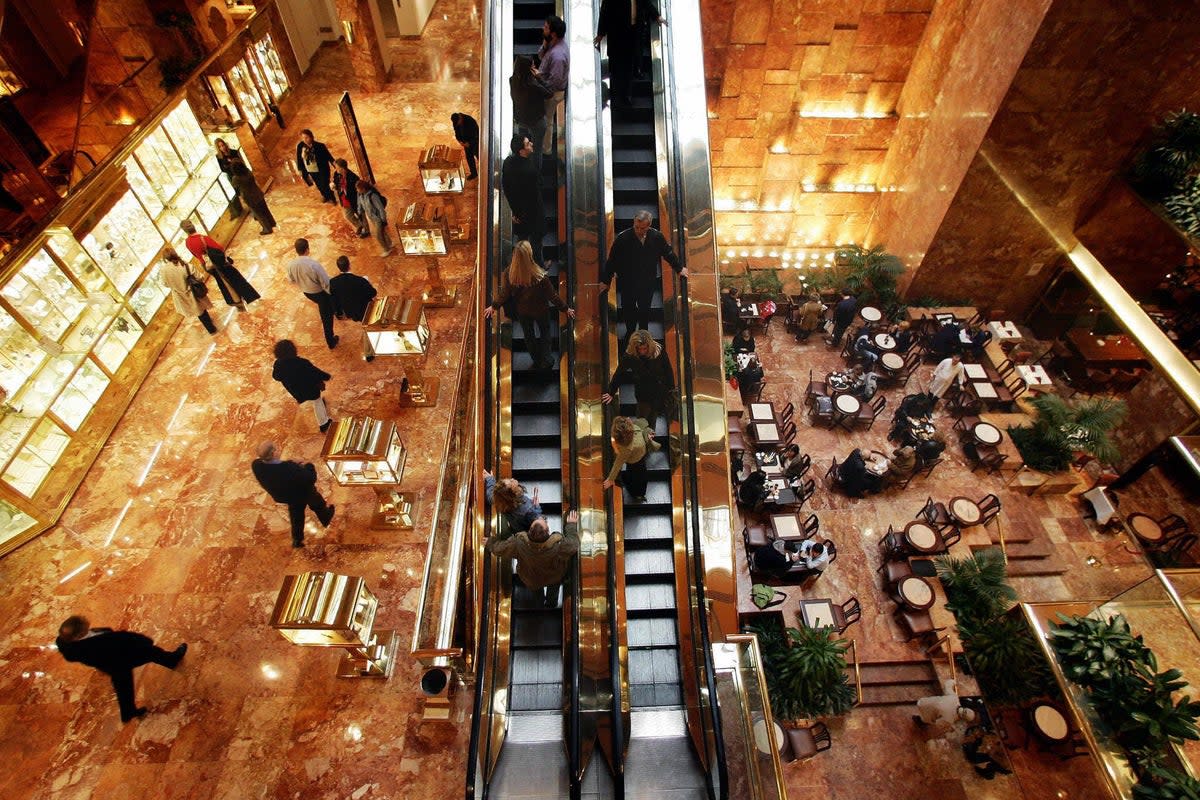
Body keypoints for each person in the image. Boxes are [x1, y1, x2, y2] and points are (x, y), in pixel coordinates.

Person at [56, 615, 188, 723]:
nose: (88, 625)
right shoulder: (96, 645)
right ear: (79, 635)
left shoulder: (70, 645)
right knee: (150, 652)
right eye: (85, 627)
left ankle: (128, 712)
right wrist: (144, 641)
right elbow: (124, 640)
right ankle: (172, 660)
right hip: (120, 659)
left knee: (123, 685)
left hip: (112, 663)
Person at [600, 210, 686, 348]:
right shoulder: (623, 238)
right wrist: (606, 281)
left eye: (642, 228)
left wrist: (679, 268)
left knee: (645, 308)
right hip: (628, 281)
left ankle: (644, 333)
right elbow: (612, 260)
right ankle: (630, 332)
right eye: (636, 227)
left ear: (649, 226)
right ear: (634, 223)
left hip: (647, 281)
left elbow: (668, 253)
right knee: (628, 308)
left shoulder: (656, 237)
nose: (639, 230)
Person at [484, 240, 575, 369]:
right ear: (530, 254)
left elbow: (505, 293)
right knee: (545, 332)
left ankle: (536, 359)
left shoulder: (510, 273)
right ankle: (546, 359)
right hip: (541, 310)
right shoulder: (540, 276)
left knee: (529, 336)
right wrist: (566, 309)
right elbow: (552, 296)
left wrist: (494, 306)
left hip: (523, 311)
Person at [486, 509, 580, 607]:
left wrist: (490, 543)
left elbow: (500, 549)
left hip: (531, 579)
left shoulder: (518, 544)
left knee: (536, 592)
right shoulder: (559, 546)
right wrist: (571, 525)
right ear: (548, 531)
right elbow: (574, 544)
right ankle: (551, 604)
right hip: (554, 576)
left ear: (529, 531)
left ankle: (539, 603)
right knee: (553, 590)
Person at [252, 440, 335, 548]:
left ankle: (297, 539)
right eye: (277, 448)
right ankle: (326, 518)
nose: (279, 449)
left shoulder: (256, 465)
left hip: (285, 496)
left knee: (296, 516)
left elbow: (277, 470)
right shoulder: (289, 468)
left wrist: (290, 463)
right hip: (303, 492)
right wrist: (308, 465)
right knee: (317, 504)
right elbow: (310, 478)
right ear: (273, 453)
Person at [602, 329, 675, 433]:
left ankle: (650, 443)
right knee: (642, 423)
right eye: (639, 349)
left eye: (644, 348)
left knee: (653, 420)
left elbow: (668, 370)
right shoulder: (631, 355)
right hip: (643, 393)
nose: (642, 351)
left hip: (659, 392)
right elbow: (620, 372)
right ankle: (643, 444)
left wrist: (671, 389)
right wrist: (611, 391)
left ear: (649, 346)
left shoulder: (658, 351)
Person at [595, 0, 664, 107]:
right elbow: (605, 11)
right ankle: (618, 92)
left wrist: (657, 16)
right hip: (618, 33)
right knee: (618, 65)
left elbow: (646, 2)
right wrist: (600, 34)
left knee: (629, 64)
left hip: (633, 32)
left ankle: (626, 95)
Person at [181, 220, 260, 311]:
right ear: (193, 225)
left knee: (222, 283)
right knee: (236, 278)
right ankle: (250, 296)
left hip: (207, 266)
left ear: (185, 231)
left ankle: (234, 301)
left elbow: (194, 254)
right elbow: (219, 248)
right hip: (219, 263)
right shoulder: (203, 238)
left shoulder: (187, 242)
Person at [286, 238, 339, 349]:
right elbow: (325, 282)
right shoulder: (313, 265)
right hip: (320, 293)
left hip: (307, 292)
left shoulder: (291, 264)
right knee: (326, 317)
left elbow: (291, 280)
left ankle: (334, 310)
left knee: (326, 306)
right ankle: (330, 341)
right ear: (307, 249)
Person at [502, 133, 546, 266]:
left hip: (519, 213)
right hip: (532, 213)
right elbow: (538, 188)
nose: (531, 144)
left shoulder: (508, 162)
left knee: (522, 241)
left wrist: (516, 212)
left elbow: (507, 188)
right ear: (522, 150)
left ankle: (522, 265)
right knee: (536, 243)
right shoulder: (529, 171)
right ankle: (540, 269)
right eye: (528, 144)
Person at [215, 137, 275, 234]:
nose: (222, 147)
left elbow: (235, 185)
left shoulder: (236, 179)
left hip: (250, 197)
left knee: (258, 213)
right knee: (264, 209)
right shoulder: (248, 172)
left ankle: (267, 228)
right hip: (257, 193)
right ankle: (272, 222)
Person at [271, 339, 333, 432]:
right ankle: (324, 423)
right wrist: (327, 376)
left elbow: (276, 376)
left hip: (295, 390)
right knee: (317, 401)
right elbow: (315, 372)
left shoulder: (278, 364)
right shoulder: (302, 363)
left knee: (311, 400)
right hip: (309, 388)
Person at [329, 256, 378, 360]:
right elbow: (373, 293)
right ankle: (368, 352)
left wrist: (338, 312)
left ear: (339, 268)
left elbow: (333, 299)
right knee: (367, 327)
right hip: (364, 309)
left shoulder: (333, 282)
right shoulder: (360, 280)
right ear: (349, 265)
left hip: (350, 311)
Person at [603, 415, 660, 502]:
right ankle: (639, 493)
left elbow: (618, 463)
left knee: (635, 476)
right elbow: (643, 428)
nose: (629, 418)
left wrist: (610, 479)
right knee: (641, 474)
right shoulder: (634, 427)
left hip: (634, 461)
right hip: (641, 456)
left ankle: (637, 493)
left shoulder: (626, 448)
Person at [510, 54, 552, 172]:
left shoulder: (513, 80)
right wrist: (539, 77)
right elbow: (549, 93)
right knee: (537, 149)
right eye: (533, 65)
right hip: (537, 121)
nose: (534, 66)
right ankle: (536, 174)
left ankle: (522, 167)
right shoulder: (533, 85)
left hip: (521, 119)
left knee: (522, 144)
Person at [534, 15, 568, 155]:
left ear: (553, 33)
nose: (543, 28)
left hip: (552, 93)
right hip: (546, 85)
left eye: (546, 27)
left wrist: (538, 76)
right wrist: (545, 44)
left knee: (547, 120)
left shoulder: (558, 56)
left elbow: (554, 83)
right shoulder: (551, 42)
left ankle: (546, 149)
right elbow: (541, 56)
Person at [160, 251, 216, 334]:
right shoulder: (185, 265)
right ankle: (211, 329)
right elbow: (200, 277)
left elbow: (165, 284)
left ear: (165, 259)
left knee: (197, 311)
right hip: (193, 292)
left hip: (179, 295)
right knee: (200, 310)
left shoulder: (163, 270)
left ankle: (210, 325)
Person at [484, 469, 542, 536]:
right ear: (512, 494)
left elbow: (490, 497)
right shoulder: (528, 509)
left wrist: (489, 479)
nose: (512, 479)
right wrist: (537, 507)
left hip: (515, 528)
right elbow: (538, 522)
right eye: (511, 482)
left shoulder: (502, 502)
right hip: (526, 534)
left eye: (509, 480)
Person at [913, 678, 978, 735]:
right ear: (963, 719)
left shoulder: (954, 698)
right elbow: (938, 724)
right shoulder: (949, 720)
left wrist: (953, 682)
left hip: (924, 702)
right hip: (927, 715)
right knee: (926, 719)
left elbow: (947, 685)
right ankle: (919, 720)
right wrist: (948, 729)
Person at [295, 129, 336, 204]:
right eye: (303, 138)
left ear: (311, 137)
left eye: (307, 137)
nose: (305, 140)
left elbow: (328, 156)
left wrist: (335, 164)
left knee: (325, 184)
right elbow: (298, 158)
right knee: (318, 184)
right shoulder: (300, 146)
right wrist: (300, 169)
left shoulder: (320, 146)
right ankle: (325, 196)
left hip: (322, 169)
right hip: (311, 170)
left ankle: (332, 197)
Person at [332, 159, 370, 238]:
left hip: (355, 201)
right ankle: (359, 225)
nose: (336, 169)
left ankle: (366, 231)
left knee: (361, 216)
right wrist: (334, 186)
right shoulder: (336, 174)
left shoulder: (353, 177)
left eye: (337, 167)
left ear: (342, 168)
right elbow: (336, 183)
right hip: (344, 200)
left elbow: (360, 191)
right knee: (348, 216)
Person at [355, 178, 392, 256]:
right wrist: (359, 212)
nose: (357, 190)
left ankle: (386, 249)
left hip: (378, 218)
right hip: (372, 218)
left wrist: (383, 220)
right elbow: (360, 205)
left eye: (358, 189)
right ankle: (390, 243)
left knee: (378, 235)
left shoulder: (373, 196)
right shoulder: (360, 195)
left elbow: (380, 208)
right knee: (382, 232)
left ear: (363, 189)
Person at [451, 113, 480, 180]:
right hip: (466, 143)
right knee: (469, 158)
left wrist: (469, 143)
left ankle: (484, 170)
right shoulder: (456, 121)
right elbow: (456, 133)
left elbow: (476, 135)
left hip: (474, 143)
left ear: (460, 118)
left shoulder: (470, 121)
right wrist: (460, 141)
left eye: (458, 123)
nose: (457, 125)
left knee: (479, 156)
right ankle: (474, 173)